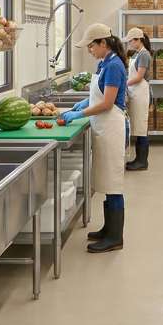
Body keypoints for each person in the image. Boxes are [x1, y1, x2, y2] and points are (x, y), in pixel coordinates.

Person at [61, 23, 129, 253]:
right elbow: (98, 95)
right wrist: (83, 103)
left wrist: (78, 113)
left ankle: (115, 237)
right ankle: (108, 230)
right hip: (103, 126)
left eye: (91, 46)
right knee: (107, 182)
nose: (89, 50)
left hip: (111, 127)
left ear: (103, 43)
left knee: (114, 184)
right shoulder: (104, 63)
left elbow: (108, 103)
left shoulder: (114, 66)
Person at [123, 27, 152, 171]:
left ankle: (142, 162)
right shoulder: (137, 54)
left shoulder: (144, 55)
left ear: (138, 40)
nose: (129, 44)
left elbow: (139, 77)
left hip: (141, 94)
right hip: (136, 93)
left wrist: (123, 83)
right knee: (139, 128)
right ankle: (138, 159)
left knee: (142, 129)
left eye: (131, 41)